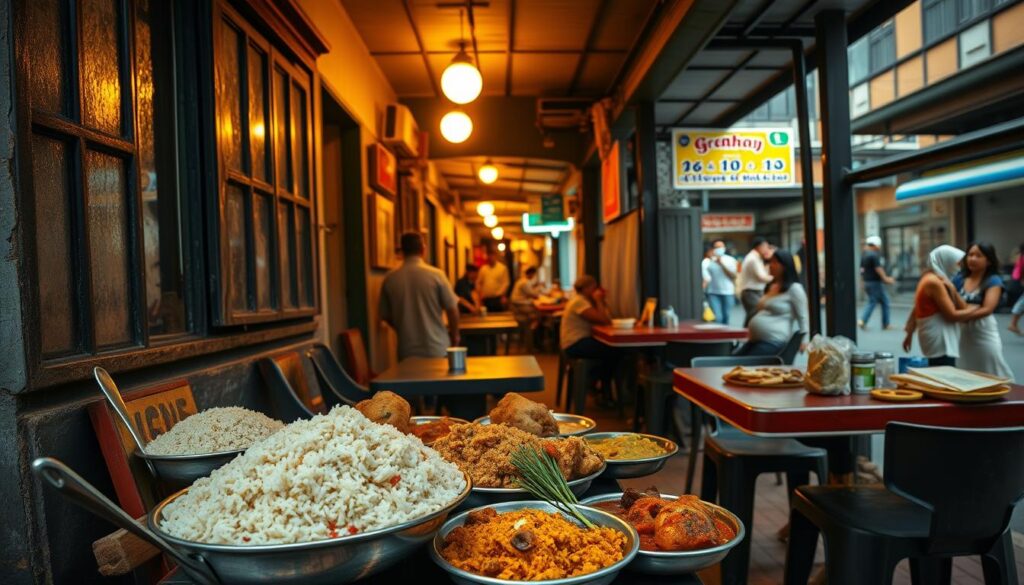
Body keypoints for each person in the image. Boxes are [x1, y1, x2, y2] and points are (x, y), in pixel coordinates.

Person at [379, 232, 460, 360]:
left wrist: (403, 326)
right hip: (437, 347)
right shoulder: (437, 275)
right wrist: (455, 335)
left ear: (402, 251)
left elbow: (386, 316)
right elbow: (452, 309)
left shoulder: (390, 278)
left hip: (406, 349)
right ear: (423, 249)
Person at [902, 245, 977, 367]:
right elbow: (952, 315)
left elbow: (915, 309)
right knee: (944, 375)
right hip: (941, 343)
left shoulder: (928, 278)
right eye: (957, 264)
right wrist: (979, 310)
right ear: (946, 261)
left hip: (933, 339)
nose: (959, 269)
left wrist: (909, 334)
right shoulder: (935, 282)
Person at [951, 242, 1014, 379]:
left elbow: (987, 309)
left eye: (978, 256)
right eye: (970, 255)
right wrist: (968, 310)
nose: (972, 259)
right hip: (962, 332)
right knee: (965, 368)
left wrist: (961, 314)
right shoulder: (959, 279)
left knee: (992, 366)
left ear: (989, 261)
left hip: (983, 331)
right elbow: (950, 301)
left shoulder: (993, 280)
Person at [734, 249, 809, 356]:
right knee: (731, 362)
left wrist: (804, 341)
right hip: (755, 341)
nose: (770, 265)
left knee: (739, 365)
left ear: (785, 265)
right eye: (770, 262)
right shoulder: (770, 286)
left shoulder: (794, 288)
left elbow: (803, 317)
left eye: (775, 262)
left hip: (773, 342)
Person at [560, 275, 620, 374]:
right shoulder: (579, 302)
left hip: (575, 342)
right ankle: (603, 383)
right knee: (615, 350)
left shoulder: (581, 300)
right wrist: (598, 300)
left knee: (612, 350)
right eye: (594, 287)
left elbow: (606, 318)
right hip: (575, 344)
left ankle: (595, 381)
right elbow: (603, 320)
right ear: (586, 288)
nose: (596, 290)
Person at [858, 235, 896, 330]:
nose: (878, 248)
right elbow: (878, 268)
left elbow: (862, 270)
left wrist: (862, 281)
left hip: (868, 282)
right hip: (875, 283)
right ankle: (863, 320)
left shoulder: (864, 255)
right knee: (874, 301)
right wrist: (886, 278)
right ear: (875, 245)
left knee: (882, 301)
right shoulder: (873, 255)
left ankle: (885, 323)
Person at [737, 237, 774, 326]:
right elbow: (761, 277)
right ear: (759, 247)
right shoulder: (753, 259)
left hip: (753, 291)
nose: (767, 249)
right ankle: (746, 336)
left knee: (752, 315)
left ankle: (745, 336)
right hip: (751, 291)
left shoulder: (755, 257)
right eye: (765, 247)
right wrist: (775, 278)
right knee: (754, 315)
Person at [705, 240, 739, 325]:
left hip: (728, 292)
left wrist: (722, 264)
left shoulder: (730, 260)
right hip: (713, 292)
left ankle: (726, 336)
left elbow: (733, 276)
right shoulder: (709, 261)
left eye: (721, 247)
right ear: (713, 248)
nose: (719, 249)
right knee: (717, 317)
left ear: (724, 248)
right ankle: (718, 336)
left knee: (726, 316)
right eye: (717, 247)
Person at [477, 248, 510, 312]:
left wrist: (502, 295)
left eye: (492, 255)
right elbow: (478, 282)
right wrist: (480, 294)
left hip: (497, 298)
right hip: (486, 298)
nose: (491, 257)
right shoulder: (483, 269)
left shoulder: (502, 268)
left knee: (498, 317)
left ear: (496, 256)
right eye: (489, 255)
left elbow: (506, 283)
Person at [1009, 242, 1024, 335]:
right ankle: (1013, 324)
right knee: (1021, 303)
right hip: (1018, 282)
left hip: (1017, 281)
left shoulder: (1020, 257)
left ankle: (1013, 324)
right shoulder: (1021, 257)